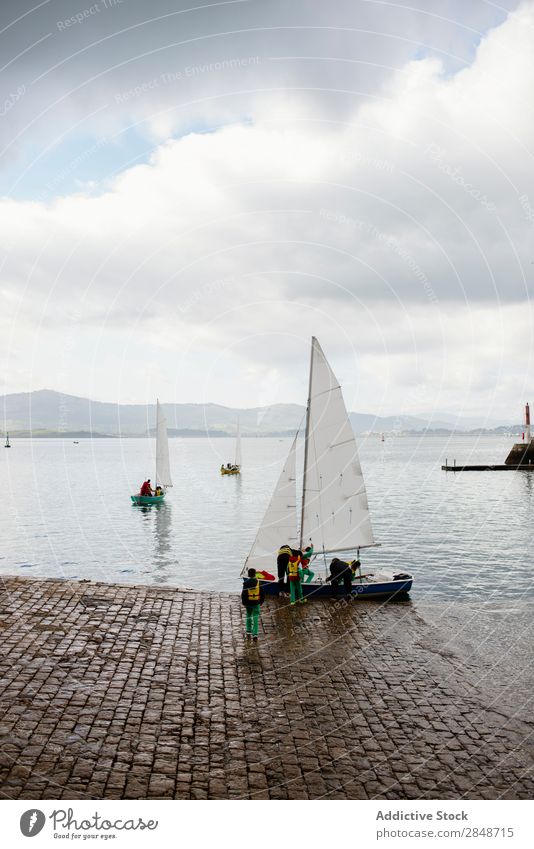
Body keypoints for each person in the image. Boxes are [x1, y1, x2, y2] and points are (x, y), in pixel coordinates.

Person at [241, 567, 266, 641]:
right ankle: (255, 634)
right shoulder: (258, 582)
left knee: (248, 615)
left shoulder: (246, 583)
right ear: (255, 574)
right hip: (256, 602)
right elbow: (262, 593)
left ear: (248, 575)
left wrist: (244, 602)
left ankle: (248, 631)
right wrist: (261, 601)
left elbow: (244, 593)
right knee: (255, 617)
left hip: (248, 602)